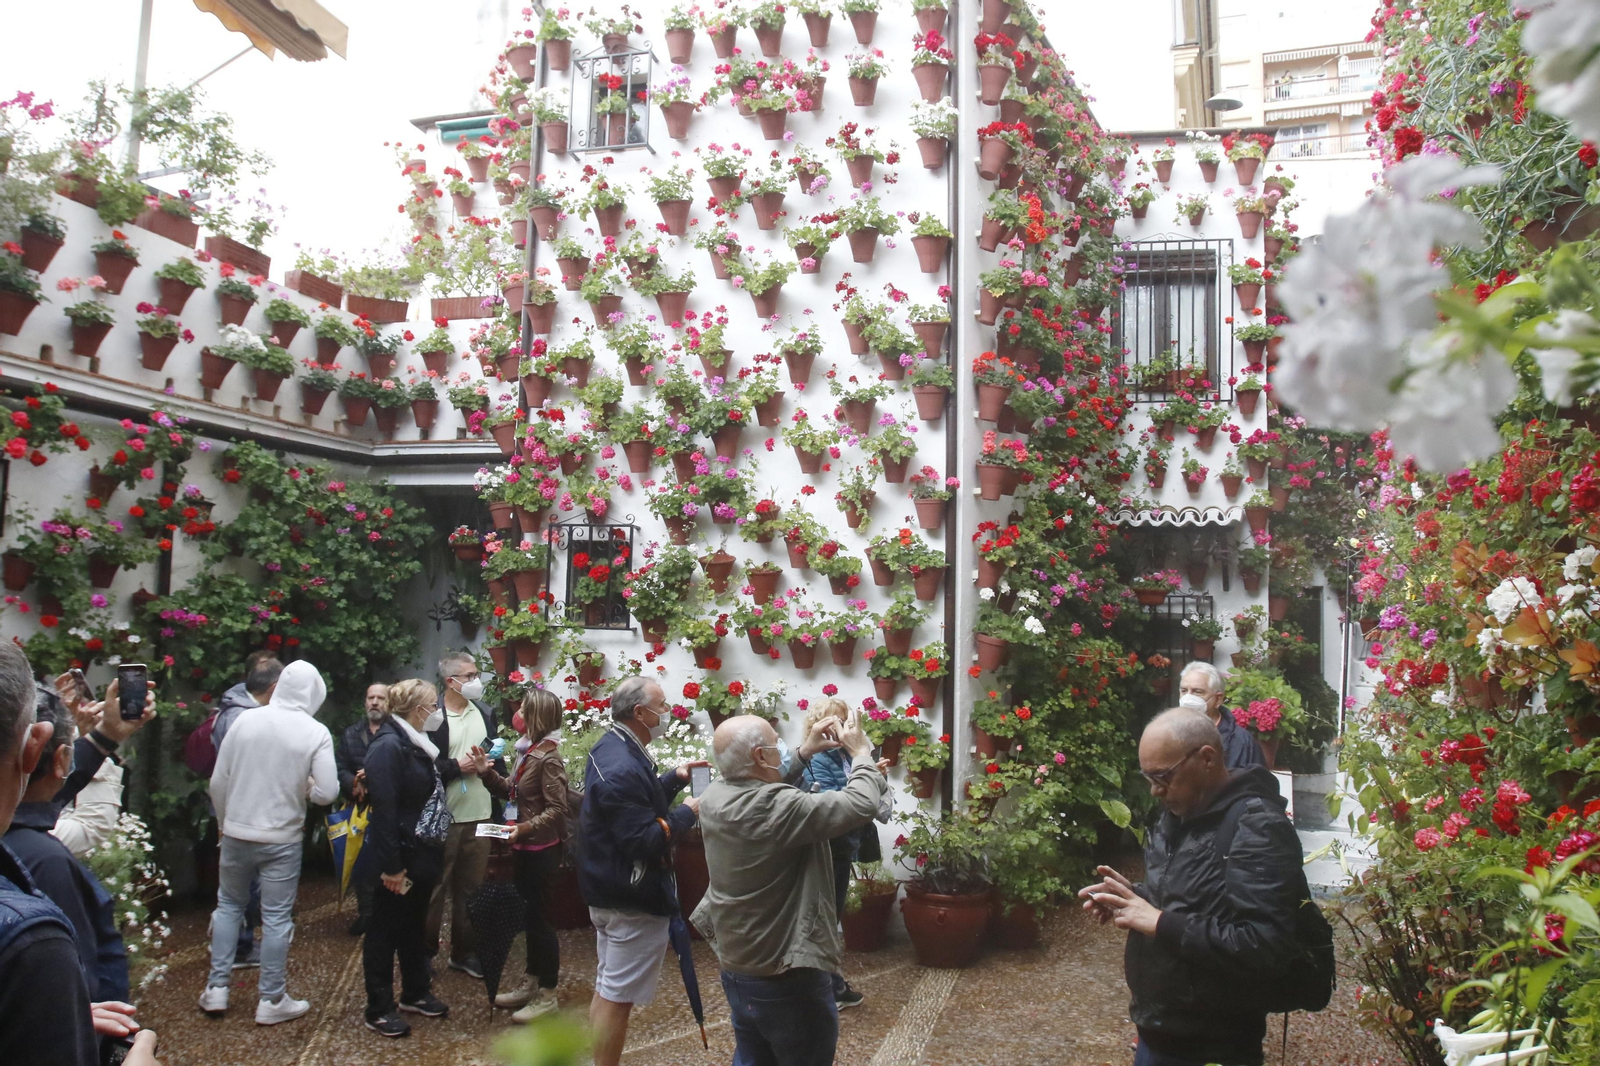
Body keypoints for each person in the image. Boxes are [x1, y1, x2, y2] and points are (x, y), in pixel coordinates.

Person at [1079, 709, 1306, 1066]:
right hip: (1159, 1034)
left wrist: (1157, 921)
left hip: (1214, 1046)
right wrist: (1136, 898)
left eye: (1163, 776)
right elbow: (1190, 900)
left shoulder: (1257, 827)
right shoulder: (1180, 813)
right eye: (1148, 777)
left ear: (1207, 759)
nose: (1155, 790)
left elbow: (1266, 946)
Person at [694, 707, 887, 1066]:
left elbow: (766, 779)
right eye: (775, 742)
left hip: (740, 965)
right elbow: (859, 804)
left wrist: (805, 752)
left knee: (754, 1056)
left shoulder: (716, 794)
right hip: (784, 971)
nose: (782, 746)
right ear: (759, 756)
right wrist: (862, 755)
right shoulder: (774, 807)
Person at [0, 643, 161, 1066]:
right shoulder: (31, 925)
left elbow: (35, 801)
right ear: (37, 745)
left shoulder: (22, 827)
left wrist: (107, 735)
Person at [201, 660, 338, 1025]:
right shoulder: (315, 732)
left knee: (228, 906)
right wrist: (306, 787)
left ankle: (216, 989)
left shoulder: (246, 719)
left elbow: (218, 782)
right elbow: (327, 793)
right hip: (282, 839)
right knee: (276, 918)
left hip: (236, 831)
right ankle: (271, 999)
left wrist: (224, 823)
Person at [580, 676, 705, 1066]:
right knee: (617, 998)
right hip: (629, 897)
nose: (667, 713)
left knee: (608, 989)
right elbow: (642, 839)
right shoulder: (621, 765)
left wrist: (673, 779)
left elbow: (634, 805)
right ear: (640, 713)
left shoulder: (614, 746)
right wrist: (689, 812)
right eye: (662, 707)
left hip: (609, 889)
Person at [359, 679, 451, 1038]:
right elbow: (384, 811)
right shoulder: (388, 747)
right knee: (383, 930)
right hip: (398, 856)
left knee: (413, 925)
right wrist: (392, 866)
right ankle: (378, 1008)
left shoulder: (415, 744)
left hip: (420, 851)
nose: (437, 711)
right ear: (417, 710)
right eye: (432, 704)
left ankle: (415, 991)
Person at [480, 689, 570, 1022]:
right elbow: (511, 791)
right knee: (529, 918)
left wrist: (526, 827)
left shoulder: (549, 757)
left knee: (542, 921)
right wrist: (485, 772)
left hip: (541, 849)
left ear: (537, 717)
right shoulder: (527, 751)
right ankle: (531, 982)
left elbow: (558, 809)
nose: (517, 715)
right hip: (522, 844)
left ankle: (548, 993)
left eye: (524, 710)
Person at [423, 649, 504, 979]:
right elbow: (423, 767)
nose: (476, 682)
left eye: (476, 675)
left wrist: (495, 773)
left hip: (480, 814)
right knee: (434, 889)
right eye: (469, 677)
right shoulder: (434, 717)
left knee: (472, 889)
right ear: (450, 681)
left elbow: (497, 754)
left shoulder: (484, 712)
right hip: (445, 817)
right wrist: (459, 767)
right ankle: (424, 955)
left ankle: (464, 951)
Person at [208, 652, 283, 968]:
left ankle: (231, 951)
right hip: (242, 815)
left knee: (236, 890)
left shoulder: (231, 709)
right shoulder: (245, 718)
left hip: (232, 812)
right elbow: (241, 773)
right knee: (242, 890)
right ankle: (238, 949)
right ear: (274, 686)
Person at [798, 697, 870, 1011]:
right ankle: (829, 987)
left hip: (843, 843)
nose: (844, 729)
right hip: (830, 846)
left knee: (831, 913)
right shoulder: (821, 757)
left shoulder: (841, 753)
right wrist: (861, 782)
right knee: (827, 915)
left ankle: (829, 983)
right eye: (838, 722)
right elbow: (827, 798)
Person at [336, 682, 389, 936]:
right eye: (371, 698)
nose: (375, 702)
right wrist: (351, 784)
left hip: (387, 809)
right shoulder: (351, 734)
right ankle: (366, 915)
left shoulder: (396, 733)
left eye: (380, 698)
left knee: (387, 864)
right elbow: (340, 767)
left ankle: (386, 916)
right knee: (361, 866)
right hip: (358, 810)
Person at [1177, 663, 1266, 772]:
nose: (1188, 698)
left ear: (1218, 699)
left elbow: (1259, 785)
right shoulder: (1169, 735)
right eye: (1184, 691)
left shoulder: (1242, 742)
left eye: (1197, 692)